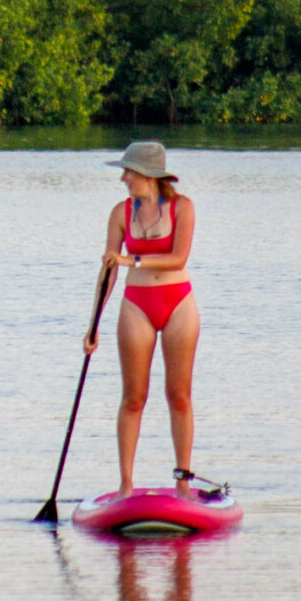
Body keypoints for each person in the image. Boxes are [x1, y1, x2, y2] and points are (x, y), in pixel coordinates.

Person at [84, 140, 198, 496]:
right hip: (136, 304)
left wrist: (132, 260)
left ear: (146, 175)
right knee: (134, 397)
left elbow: (178, 259)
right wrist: (93, 326)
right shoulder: (120, 213)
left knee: (178, 395)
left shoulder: (184, 208)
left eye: (128, 172)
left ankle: (182, 481)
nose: (123, 178)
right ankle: (126, 485)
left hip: (178, 302)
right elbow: (108, 271)